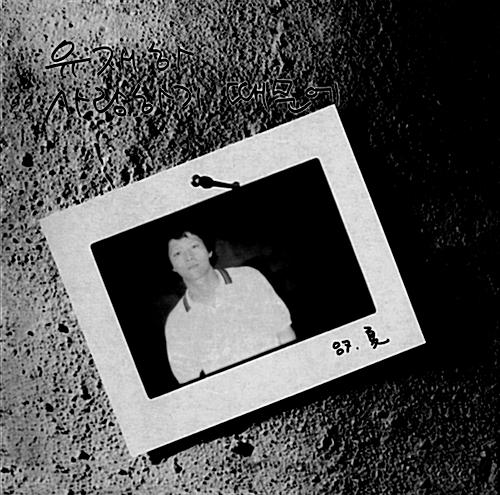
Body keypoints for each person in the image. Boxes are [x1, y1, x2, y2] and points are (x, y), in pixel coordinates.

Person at [164, 228, 296, 384]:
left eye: (194, 246)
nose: (189, 257)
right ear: (172, 266)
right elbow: (189, 381)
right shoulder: (176, 322)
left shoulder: (249, 278)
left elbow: (285, 333)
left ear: (209, 251)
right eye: (177, 253)